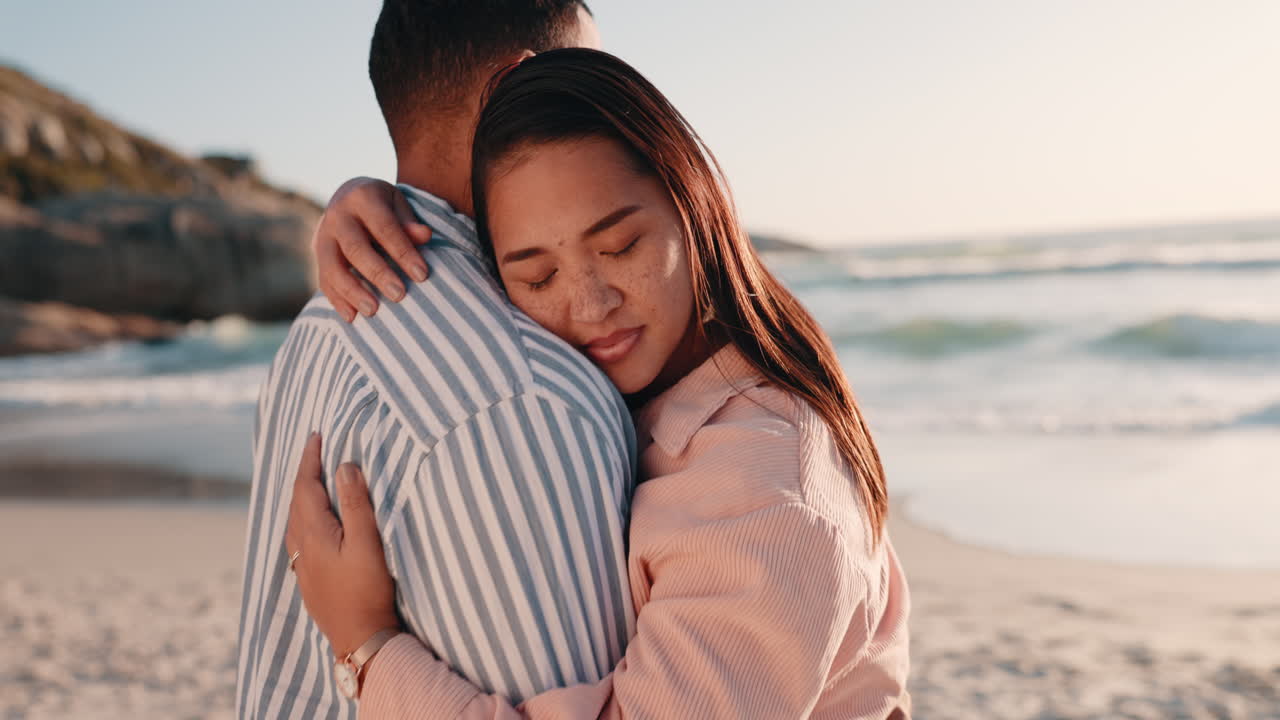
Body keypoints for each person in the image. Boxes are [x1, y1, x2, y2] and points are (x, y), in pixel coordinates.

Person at [288, 48, 912, 718]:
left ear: (691, 198)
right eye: (536, 277)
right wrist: (376, 208)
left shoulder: (766, 493)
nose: (589, 305)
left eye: (619, 247)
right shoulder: (654, 394)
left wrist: (366, 646)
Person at [234, 4, 639, 718]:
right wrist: (367, 647)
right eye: (589, 86)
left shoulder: (318, 322)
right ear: (518, 90)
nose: (613, 119)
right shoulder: (529, 399)